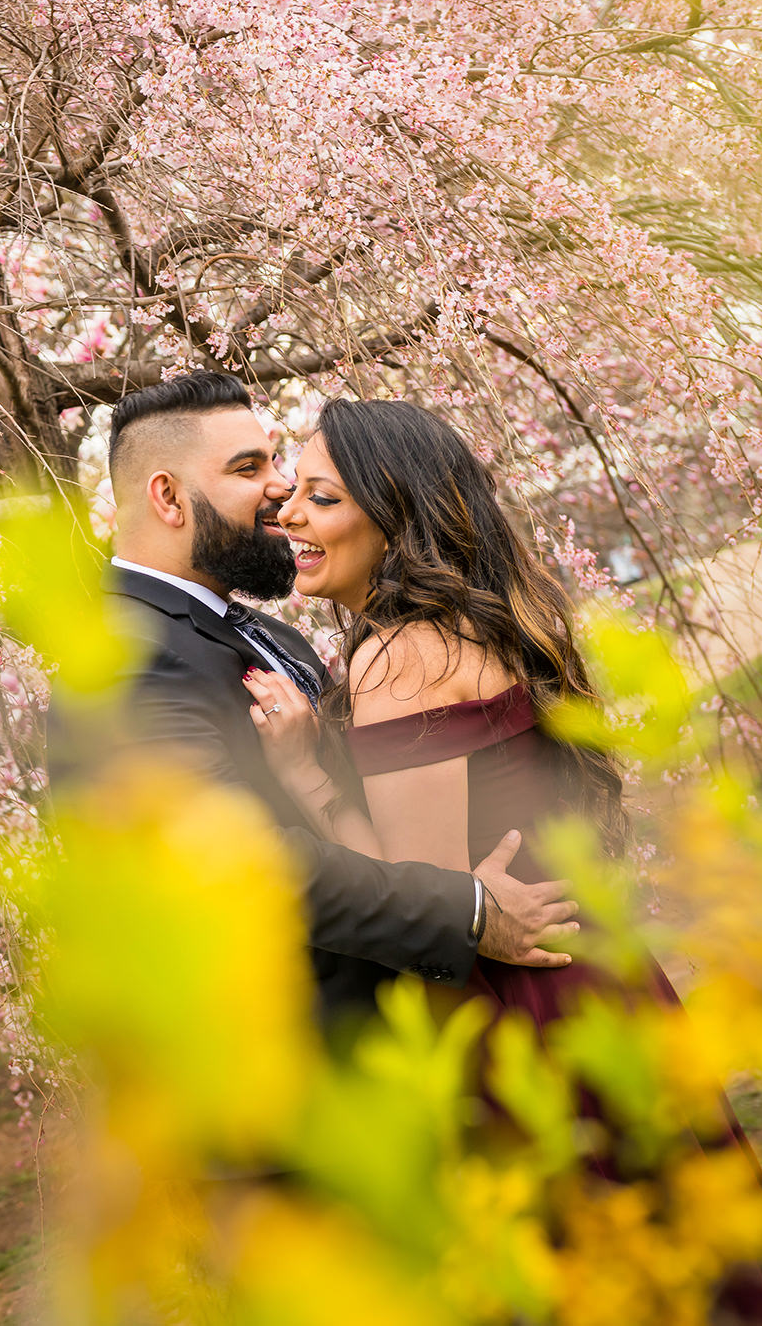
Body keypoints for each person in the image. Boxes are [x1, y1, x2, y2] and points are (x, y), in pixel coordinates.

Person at [244, 395, 762, 1325]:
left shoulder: (400, 654)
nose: (290, 517)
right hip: (593, 973)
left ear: (393, 514)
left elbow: (424, 895)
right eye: (292, 496)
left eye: (321, 498)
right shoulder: (480, 618)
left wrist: (310, 782)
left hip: (522, 1008)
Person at [49, 369, 581, 1024]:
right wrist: (468, 910)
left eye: (280, 462)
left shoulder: (271, 634)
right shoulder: (117, 656)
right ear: (169, 497)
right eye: (250, 467)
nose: (280, 487)